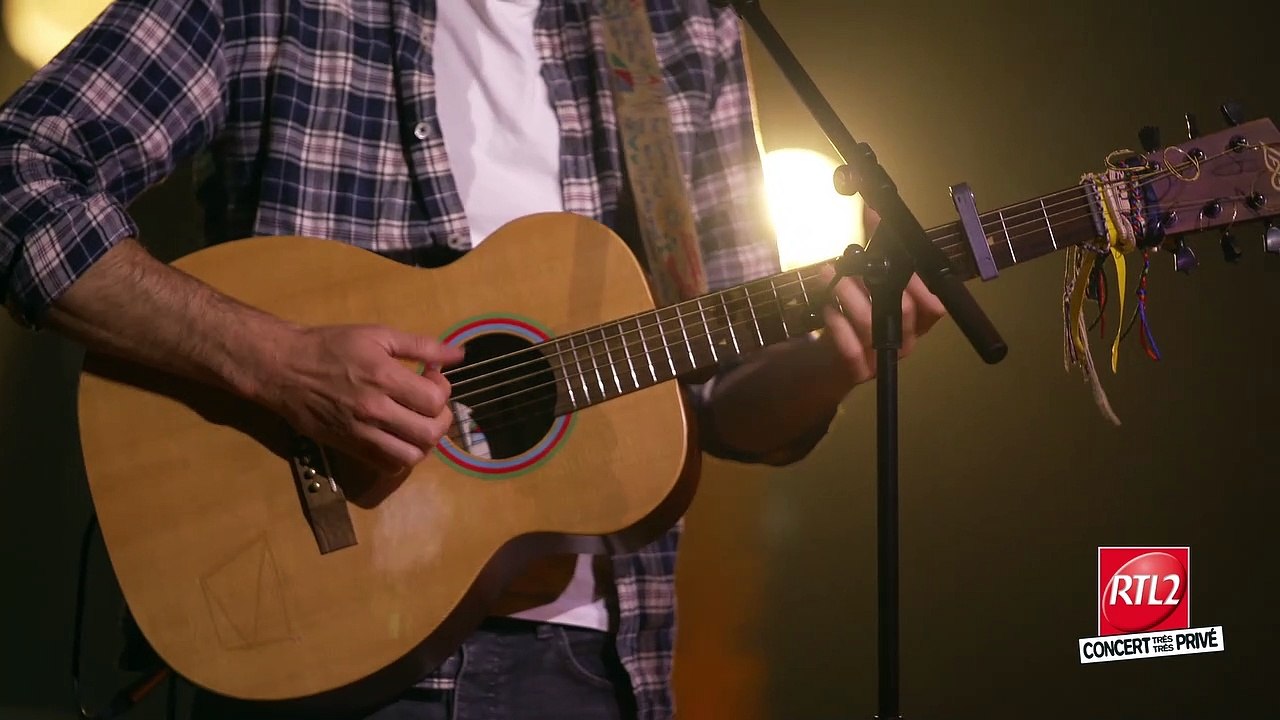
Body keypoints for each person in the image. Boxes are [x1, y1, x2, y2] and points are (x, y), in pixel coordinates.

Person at [0, 1, 945, 718]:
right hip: (328, 643)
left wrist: (831, 355)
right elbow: (20, 174)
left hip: (597, 671)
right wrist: (280, 364)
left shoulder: (675, 24)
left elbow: (720, 401)